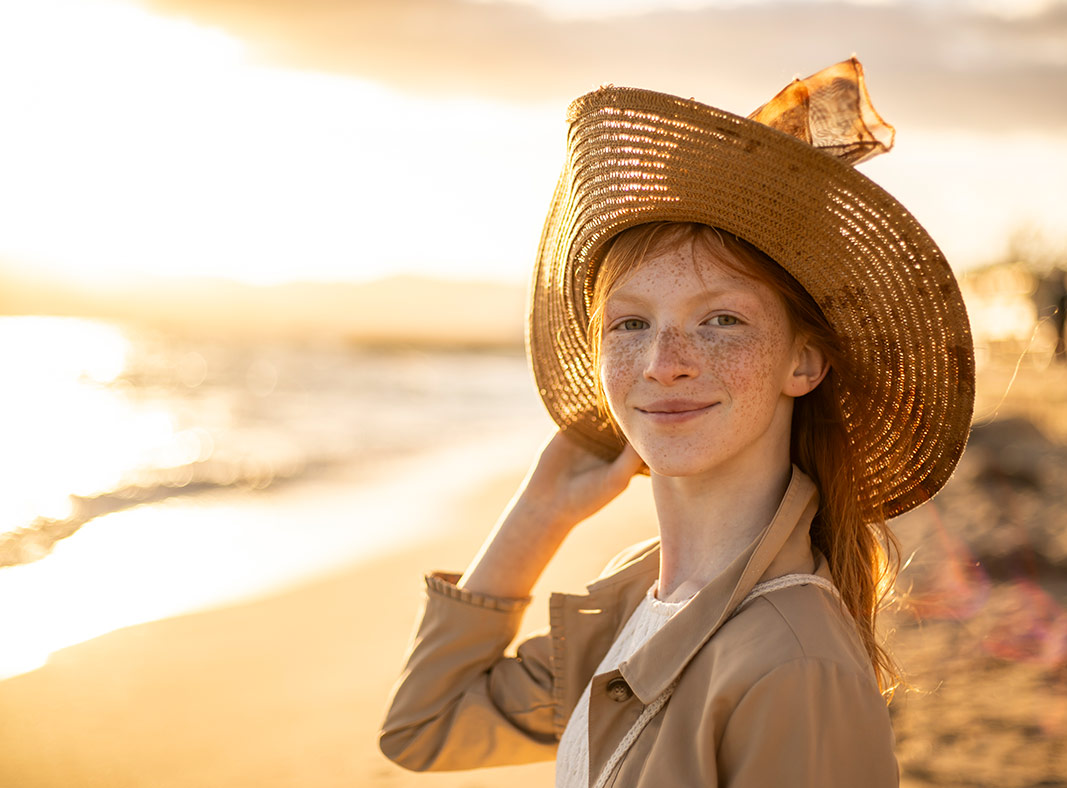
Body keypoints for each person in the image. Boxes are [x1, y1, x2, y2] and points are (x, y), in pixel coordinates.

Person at [378, 58, 974, 787]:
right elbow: (427, 728)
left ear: (804, 363)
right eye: (630, 323)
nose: (663, 362)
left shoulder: (792, 662)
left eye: (719, 320)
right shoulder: (637, 598)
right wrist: (538, 512)